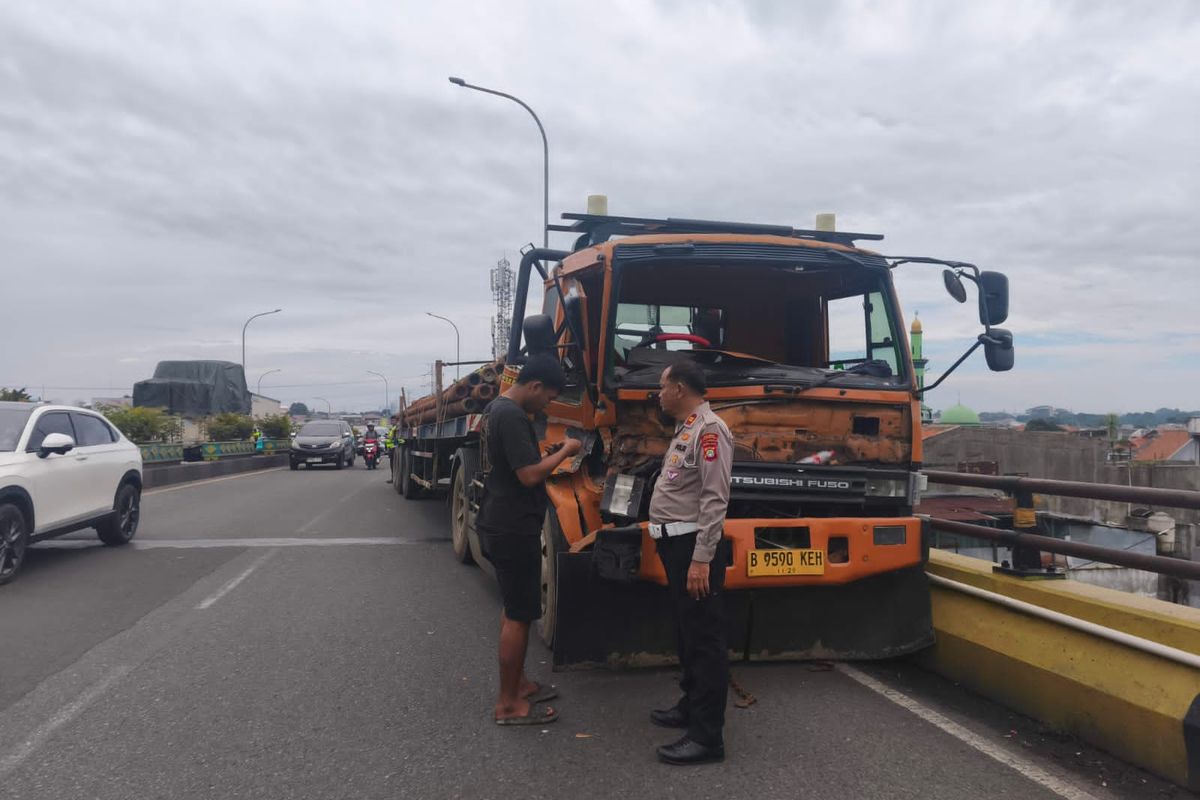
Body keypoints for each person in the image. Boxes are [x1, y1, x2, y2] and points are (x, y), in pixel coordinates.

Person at [476, 355, 581, 726]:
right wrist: (566, 453)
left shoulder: (497, 408)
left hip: (499, 519)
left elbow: (514, 461)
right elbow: (527, 477)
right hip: (512, 526)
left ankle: (517, 684)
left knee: (512, 606)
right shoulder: (512, 415)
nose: (547, 405)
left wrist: (543, 455)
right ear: (535, 386)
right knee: (519, 616)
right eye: (548, 397)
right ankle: (508, 705)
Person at [647, 357, 734, 765]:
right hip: (674, 545)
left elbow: (715, 499)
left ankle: (706, 737)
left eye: (663, 387)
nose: (659, 394)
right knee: (686, 634)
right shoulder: (687, 429)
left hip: (692, 549)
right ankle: (689, 705)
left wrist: (702, 559)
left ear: (680, 389)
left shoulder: (711, 431)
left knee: (704, 641)